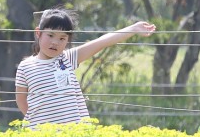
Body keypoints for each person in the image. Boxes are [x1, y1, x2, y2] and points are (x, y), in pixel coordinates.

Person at [15, 8, 156, 128]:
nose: (55, 42)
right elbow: (21, 100)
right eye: (51, 35)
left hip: (74, 133)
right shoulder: (25, 66)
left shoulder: (68, 58)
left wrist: (133, 29)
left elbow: (102, 42)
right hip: (40, 134)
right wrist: (38, 121)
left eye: (62, 38)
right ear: (38, 33)